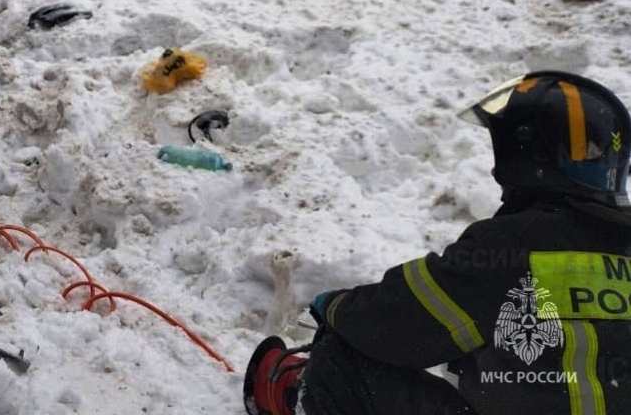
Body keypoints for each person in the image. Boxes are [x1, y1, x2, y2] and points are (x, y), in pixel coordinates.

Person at [244, 71, 631, 415]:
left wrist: (336, 308)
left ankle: (291, 397)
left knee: (340, 359)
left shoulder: (512, 244)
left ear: (525, 157)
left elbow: (395, 322)